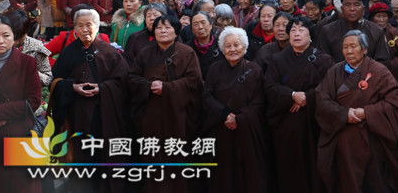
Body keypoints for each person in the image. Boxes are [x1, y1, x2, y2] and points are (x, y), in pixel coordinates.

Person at [315, 30, 398, 193]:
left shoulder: (379, 71)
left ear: (364, 49)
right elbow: (322, 100)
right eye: (345, 47)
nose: (348, 51)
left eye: (353, 46)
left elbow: (395, 103)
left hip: (373, 136)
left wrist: (367, 113)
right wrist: (344, 114)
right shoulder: (335, 71)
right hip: (342, 134)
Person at [51, 9, 128, 192]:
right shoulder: (68, 52)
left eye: (89, 24)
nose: (85, 29)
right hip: (76, 115)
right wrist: (72, 87)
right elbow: (55, 82)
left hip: (103, 115)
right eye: (80, 25)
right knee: (81, 156)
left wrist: (103, 88)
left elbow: (124, 83)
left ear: (98, 26)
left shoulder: (110, 53)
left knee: (102, 155)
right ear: (75, 28)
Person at [128, 13, 202, 192]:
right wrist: (148, 85)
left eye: (168, 27)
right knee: (153, 156)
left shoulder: (186, 53)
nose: (163, 31)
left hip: (177, 115)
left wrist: (167, 88)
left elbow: (195, 83)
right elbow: (131, 78)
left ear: (176, 32)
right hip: (151, 114)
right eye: (159, 27)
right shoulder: (145, 53)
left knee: (175, 155)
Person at [263, 17, 334, 193]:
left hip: (312, 123)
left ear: (311, 36)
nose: (296, 34)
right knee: (288, 168)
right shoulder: (277, 59)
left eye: (301, 30)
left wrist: (307, 97)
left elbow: (328, 89)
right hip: (286, 123)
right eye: (293, 30)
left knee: (313, 166)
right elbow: (270, 86)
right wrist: (292, 95)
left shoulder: (323, 60)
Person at [202, 26, 268, 193]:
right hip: (220, 127)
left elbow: (259, 101)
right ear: (222, 48)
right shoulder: (214, 69)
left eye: (236, 45)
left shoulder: (254, 70)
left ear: (244, 47)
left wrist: (239, 119)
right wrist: (225, 114)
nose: (232, 49)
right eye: (228, 45)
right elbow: (207, 96)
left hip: (246, 129)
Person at [0, 15, 42, 193]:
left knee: (23, 186)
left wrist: (0, 112)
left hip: (20, 134)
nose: (0, 41)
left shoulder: (28, 63)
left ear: (14, 38)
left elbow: (33, 100)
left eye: (6, 35)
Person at [317, 0, 389, 65]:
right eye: (347, 5)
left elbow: (383, 62)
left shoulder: (376, 31)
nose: (352, 9)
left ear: (363, 9)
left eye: (357, 4)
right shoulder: (328, 30)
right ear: (342, 9)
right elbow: (323, 61)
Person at [4, 10, 52, 87]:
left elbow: (47, 79)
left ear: (26, 32)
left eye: (19, 38)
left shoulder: (36, 46)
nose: (14, 42)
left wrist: (29, 71)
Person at [368, 2, 398, 86]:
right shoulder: (367, 32)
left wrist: (391, 64)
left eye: (384, 16)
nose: (382, 20)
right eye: (378, 16)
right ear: (372, 19)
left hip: (391, 72)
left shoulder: (394, 33)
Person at [186, 10, 224, 79]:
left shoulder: (221, 45)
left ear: (210, 25)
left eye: (203, 23)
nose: (200, 27)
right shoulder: (187, 49)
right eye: (196, 24)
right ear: (192, 29)